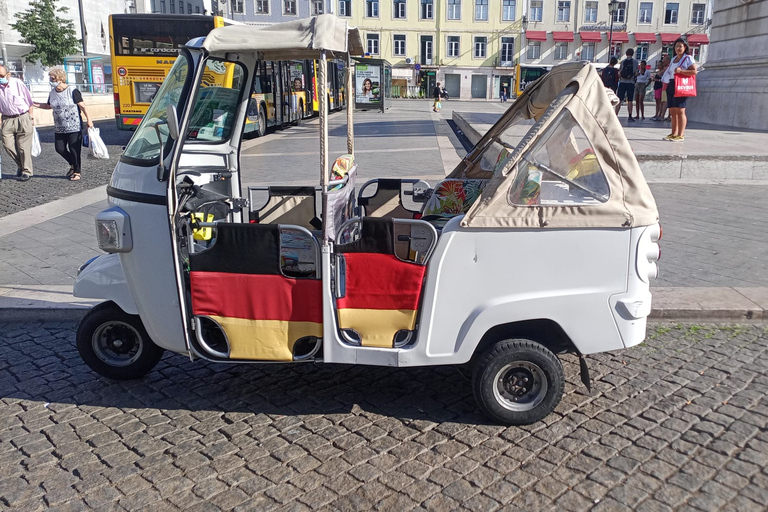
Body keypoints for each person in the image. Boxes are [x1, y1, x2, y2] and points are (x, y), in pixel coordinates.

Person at [34, 67, 93, 181]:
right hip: (59, 127)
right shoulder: (52, 93)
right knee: (59, 148)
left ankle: (77, 172)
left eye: (53, 79)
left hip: (74, 125)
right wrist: (35, 104)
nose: (51, 81)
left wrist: (89, 120)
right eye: (50, 79)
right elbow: (48, 105)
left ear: (60, 79)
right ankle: (72, 164)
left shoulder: (72, 90)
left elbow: (82, 106)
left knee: (74, 149)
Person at [0, 65, 35, 181]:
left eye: (1, 76)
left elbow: (29, 101)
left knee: (23, 147)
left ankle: (26, 171)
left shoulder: (17, 83)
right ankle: (21, 165)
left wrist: (31, 116)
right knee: (8, 145)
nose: (0, 78)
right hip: (6, 119)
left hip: (22, 117)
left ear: (8, 75)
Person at [660, 38, 698, 142]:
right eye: (676, 46)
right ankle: (673, 133)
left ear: (685, 47)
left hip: (681, 84)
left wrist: (682, 71)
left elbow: (694, 71)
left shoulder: (688, 58)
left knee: (680, 110)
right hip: (672, 83)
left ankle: (681, 134)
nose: (678, 48)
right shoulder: (674, 59)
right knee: (672, 110)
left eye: (680, 46)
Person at [616, 48, 638, 121]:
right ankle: (630, 116)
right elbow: (636, 72)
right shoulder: (635, 62)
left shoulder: (622, 62)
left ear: (626, 54)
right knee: (630, 100)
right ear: (632, 54)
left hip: (622, 82)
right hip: (630, 83)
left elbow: (620, 72)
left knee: (619, 99)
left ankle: (616, 114)